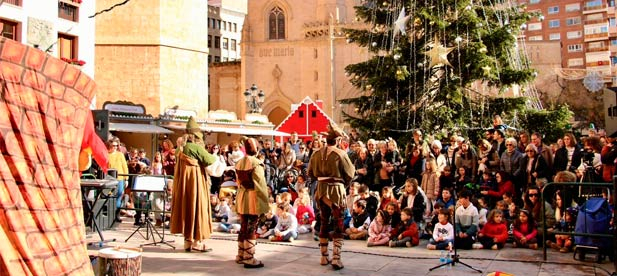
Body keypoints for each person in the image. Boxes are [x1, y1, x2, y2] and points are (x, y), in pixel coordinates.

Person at [307, 123, 355, 270]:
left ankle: (323, 256)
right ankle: (336, 258)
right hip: (336, 190)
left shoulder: (316, 153)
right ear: (338, 141)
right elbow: (350, 174)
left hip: (321, 190)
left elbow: (310, 174)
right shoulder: (341, 154)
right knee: (338, 222)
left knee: (323, 221)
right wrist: (342, 184)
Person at [170, 117, 216, 252]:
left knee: (186, 208)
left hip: (182, 185)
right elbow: (210, 160)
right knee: (197, 207)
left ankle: (187, 242)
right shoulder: (195, 147)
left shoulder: (179, 149)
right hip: (195, 183)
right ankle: (197, 242)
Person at [234, 137, 270, 268]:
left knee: (243, 225)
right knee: (251, 226)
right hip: (253, 197)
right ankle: (249, 257)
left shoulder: (238, 162)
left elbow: (238, 182)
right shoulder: (256, 163)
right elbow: (260, 185)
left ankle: (241, 255)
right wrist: (265, 203)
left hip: (242, 196)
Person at [107, 139, 129, 223]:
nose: (115, 147)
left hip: (120, 178)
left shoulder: (120, 155)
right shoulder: (107, 154)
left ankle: (117, 215)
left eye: (116, 146)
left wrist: (126, 179)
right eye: (113, 146)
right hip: (110, 178)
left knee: (119, 195)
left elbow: (124, 166)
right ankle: (110, 215)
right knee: (110, 196)